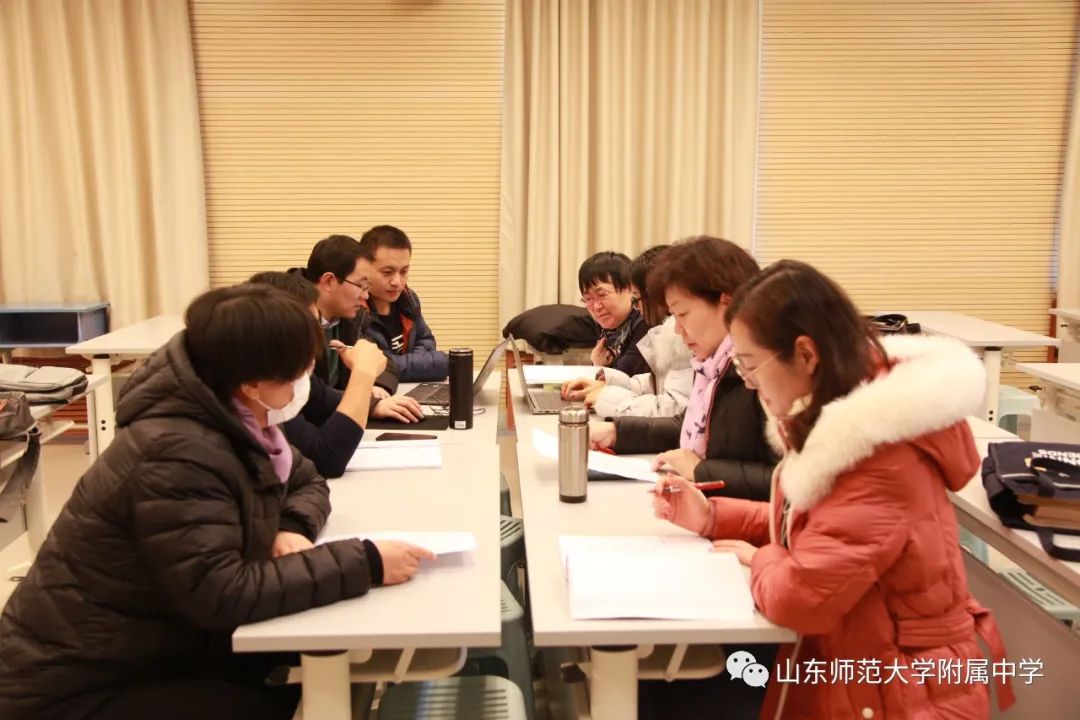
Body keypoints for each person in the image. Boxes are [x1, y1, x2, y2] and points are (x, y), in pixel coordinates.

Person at [0, 285, 434, 720]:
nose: (303, 384)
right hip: (75, 685)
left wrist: (291, 527)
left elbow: (307, 480)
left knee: (301, 672)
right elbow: (222, 592)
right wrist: (366, 562)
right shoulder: (175, 452)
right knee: (274, 698)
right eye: (295, 375)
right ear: (251, 383)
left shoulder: (234, 415)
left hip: (160, 644)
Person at [653, 260, 1014, 719]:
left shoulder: (880, 457)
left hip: (902, 692)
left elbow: (799, 599)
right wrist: (712, 516)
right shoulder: (838, 420)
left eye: (749, 364)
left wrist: (762, 557)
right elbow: (815, 526)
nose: (748, 382)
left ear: (805, 355)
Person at [589, 237, 776, 500]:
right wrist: (617, 432)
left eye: (682, 314)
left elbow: (790, 482)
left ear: (727, 302)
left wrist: (702, 471)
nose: (677, 329)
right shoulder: (715, 366)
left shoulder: (765, 373)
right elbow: (689, 425)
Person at [248, 272, 425, 477]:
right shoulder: (261, 384)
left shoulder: (284, 367)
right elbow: (326, 459)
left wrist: (374, 405)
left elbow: (322, 399)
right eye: (305, 332)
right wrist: (363, 374)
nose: (366, 295)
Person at [560, 245, 693, 418]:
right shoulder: (614, 326)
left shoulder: (673, 332)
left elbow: (672, 409)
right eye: (588, 299)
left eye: (636, 298)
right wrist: (605, 382)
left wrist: (606, 397)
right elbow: (657, 384)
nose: (596, 306)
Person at [293, 234, 399, 396]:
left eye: (367, 286)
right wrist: (367, 400)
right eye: (361, 285)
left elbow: (382, 361)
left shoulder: (351, 317)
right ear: (329, 281)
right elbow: (310, 395)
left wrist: (378, 388)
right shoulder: (291, 321)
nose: (366, 296)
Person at [359, 225, 449, 382]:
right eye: (387, 272)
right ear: (364, 268)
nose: (397, 282)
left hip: (406, 387)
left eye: (404, 271)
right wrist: (433, 364)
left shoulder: (408, 298)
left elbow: (425, 340)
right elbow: (377, 364)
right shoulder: (354, 310)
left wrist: (418, 365)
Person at [576, 251, 650, 376]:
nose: (596, 307)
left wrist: (599, 366)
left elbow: (623, 377)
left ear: (629, 289)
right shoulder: (608, 326)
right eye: (588, 299)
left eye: (602, 295)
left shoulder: (644, 323)